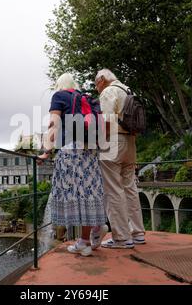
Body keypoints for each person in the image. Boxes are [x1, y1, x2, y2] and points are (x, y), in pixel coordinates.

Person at [37, 73, 107, 257]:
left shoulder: (59, 96)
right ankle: (88, 236)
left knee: (73, 194)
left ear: (59, 85)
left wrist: (46, 151)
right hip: (90, 151)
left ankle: (86, 239)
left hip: (70, 151)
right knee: (87, 193)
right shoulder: (84, 97)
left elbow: (54, 124)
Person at [95, 69, 146, 249]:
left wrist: (101, 141)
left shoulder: (109, 91)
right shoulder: (128, 90)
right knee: (130, 187)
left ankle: (122, 238)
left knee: (113, 189)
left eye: (96, 84)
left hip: (113, 142)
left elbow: (107, 121)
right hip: (130, 142)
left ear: (102, 79)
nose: (96, 89)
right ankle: (137, 232)